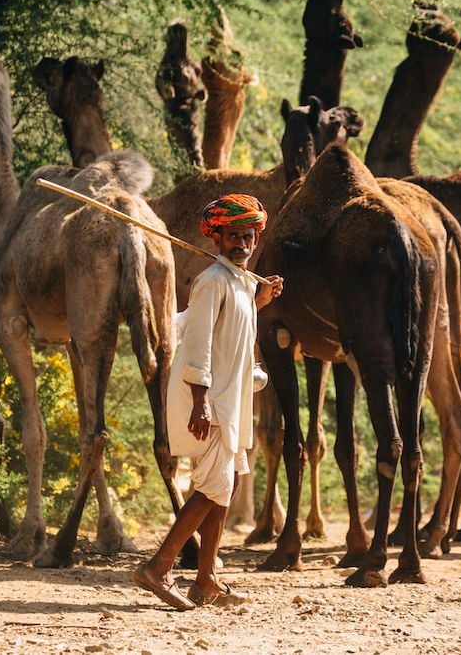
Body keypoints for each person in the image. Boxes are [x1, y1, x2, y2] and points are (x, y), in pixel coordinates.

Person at [133, 193, 283, 610]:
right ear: (216, 240)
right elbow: (198, 346)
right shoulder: (212, 282)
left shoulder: (240, 285)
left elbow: (235, 340)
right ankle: (158, 568)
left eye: (248, 235)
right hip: (211, 401)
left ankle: (206, 579)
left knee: (226, 486)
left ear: (256, 239)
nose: (241, 243)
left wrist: (259, 301)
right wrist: (200, 402)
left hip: (232, 402)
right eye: (232, 236)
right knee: (211, 488)